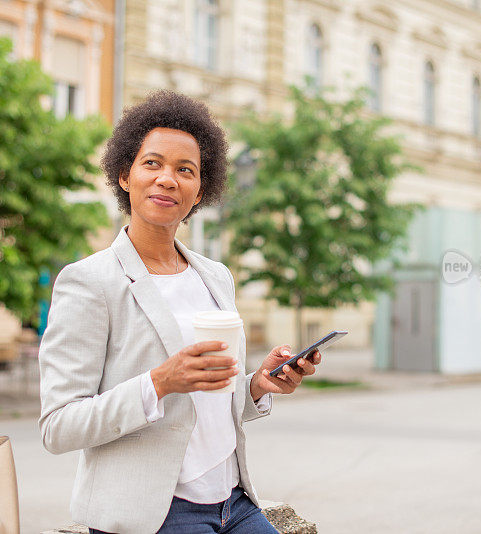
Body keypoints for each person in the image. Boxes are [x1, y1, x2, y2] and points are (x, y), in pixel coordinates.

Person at [38, 90, 321, 534]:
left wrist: (257, 385)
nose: (167, 179)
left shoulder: (215, 277)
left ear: (200, 191)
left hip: (234, 502)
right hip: (156, 514)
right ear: (124, 176)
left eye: (184, 170)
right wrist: (159, 383)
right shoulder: (89, 281)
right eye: (152, 163)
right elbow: (58, 426)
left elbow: (208, 404)